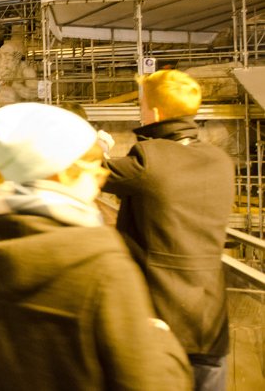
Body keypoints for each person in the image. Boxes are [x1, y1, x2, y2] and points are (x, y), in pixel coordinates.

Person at [0, 102, 191, 390]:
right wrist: (160, 337)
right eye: (91, 167)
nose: (102, 176)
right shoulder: (100, 261)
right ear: (60, 173)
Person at [103, 70, 234, 391]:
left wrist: (95, 146)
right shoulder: (220, 160)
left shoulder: (150, 158)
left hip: (159, 317)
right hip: (210, 321)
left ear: (156, 113)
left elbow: (91, 173)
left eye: (141, 104)